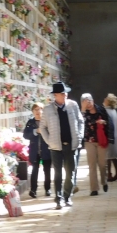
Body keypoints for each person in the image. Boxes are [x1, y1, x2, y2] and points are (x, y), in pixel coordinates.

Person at [40, 81, 84, 209]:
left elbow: (81, 121)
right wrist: (49, 141)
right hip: (56, 147)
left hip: (71, 145)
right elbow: (42, 127)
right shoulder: (48, 110)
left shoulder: (73, 106)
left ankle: (67, 196)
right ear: (56, 95)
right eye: (62, 93)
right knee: (58, 174)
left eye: (65, 93)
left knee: (70, 173)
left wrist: (79, 136)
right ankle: (58, 198)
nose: (65, 95)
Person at [80, 93, 113, 196]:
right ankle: (94, 188)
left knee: (103, 164)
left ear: (93, 100)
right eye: (85, 102)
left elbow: (109, 122)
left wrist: (104, 122)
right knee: (92, 165)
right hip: (89, 141)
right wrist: (83, 109)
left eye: (89, 101)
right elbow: (80, 123)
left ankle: (104, 181)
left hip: (101, 140)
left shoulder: (101, 110)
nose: (88, 103)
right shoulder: (82, 113)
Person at [22, 103, 51, 199]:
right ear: (33, 112)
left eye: (40, 109)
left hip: (46, 149)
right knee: (34, 170)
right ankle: (33, 190)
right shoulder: (30, 122)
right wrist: (35, 131)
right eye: (36, 110)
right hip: (35, 150)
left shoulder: (47, 121)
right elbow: (25, 135)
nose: (38, 112)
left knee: (47, 170)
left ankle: (48, 189)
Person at [103, 93, 117, 181]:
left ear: (109, 101)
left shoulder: (105, 111)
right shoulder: (114, 111)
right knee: (114, 155)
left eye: (106, 98)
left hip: (108, 135)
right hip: (115, 135)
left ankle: (109, 174)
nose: (104, 99)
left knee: (108, 156)